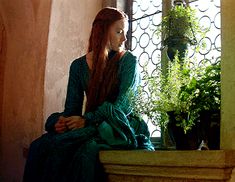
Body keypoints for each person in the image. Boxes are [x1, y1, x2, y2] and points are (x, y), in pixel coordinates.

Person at [23, 7, 154, 182]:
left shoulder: (129, 61)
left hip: (119, 125)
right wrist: (61, 122)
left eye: (125, 32)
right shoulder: (78, 66)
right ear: (102, 31)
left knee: (84, 151)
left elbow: (124, 106)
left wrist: (88, 119)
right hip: (91, 123)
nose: (124, 38)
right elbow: (72, 109)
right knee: (40, 146)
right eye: (119, 31)